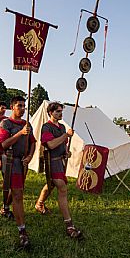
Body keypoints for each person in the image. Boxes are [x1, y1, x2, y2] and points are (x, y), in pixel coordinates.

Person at [34, 102, 83, 239]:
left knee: (50, 185)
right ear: (51, 113)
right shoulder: (46, 127)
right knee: (62, 189)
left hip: (60, 162)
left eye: (61, 111)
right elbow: (50, 144)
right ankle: (69, 224)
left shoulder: (61, 127)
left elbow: (61, 144)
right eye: (58, 112)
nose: (60, 114)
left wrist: (66, 152)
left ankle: (39, 204)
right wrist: (66, 136)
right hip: (52, 163)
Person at [0, 96, 35, 248]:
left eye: (24, 106)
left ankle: (5, 208)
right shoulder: (5, 123)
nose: (22, 108)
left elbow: (33, 142)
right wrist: (20, 133)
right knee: (18, 194)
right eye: (19, 106)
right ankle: (22, 231)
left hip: (22, 162)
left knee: (16, 190)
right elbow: (3, 145)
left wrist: (30, 156)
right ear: (12, 107)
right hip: (11, 161)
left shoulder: (27, 124)